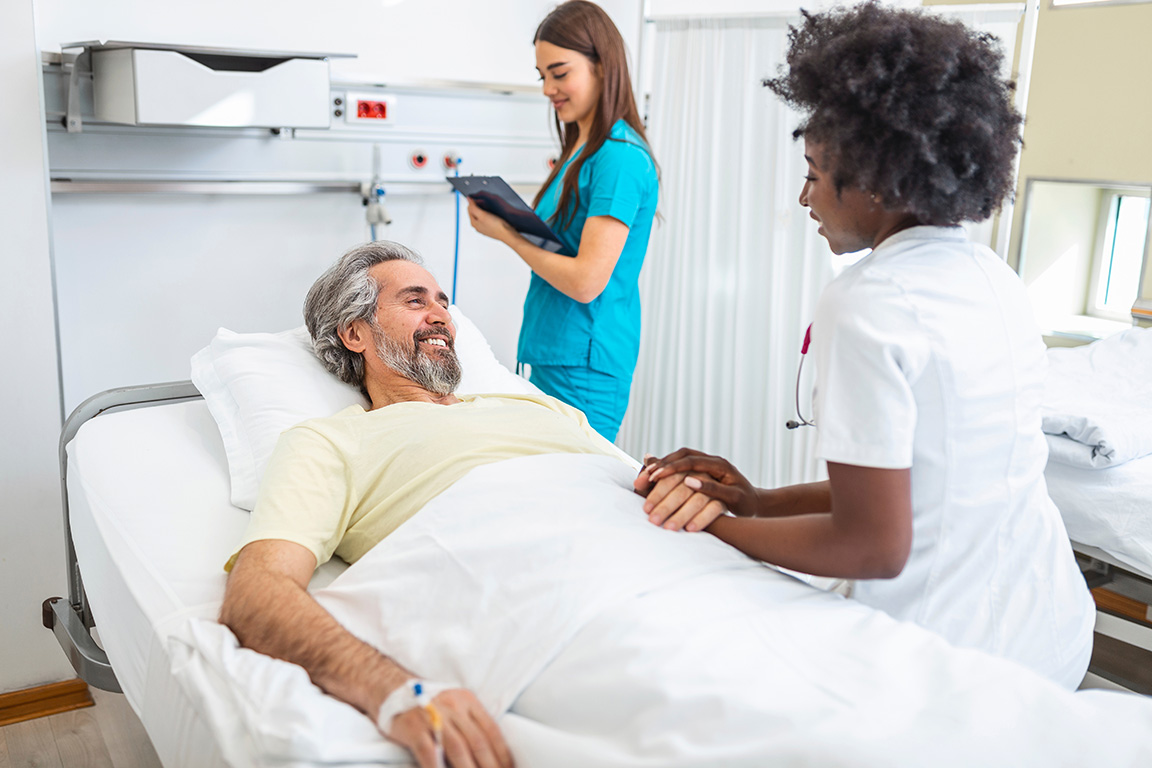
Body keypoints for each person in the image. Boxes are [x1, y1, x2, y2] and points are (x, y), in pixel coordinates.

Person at [634, 1, 1095, 689]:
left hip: (955, 659)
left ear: (877, 179)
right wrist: (756, 502)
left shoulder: (870, 301)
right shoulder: (990, 277)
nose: (803, 197)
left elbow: (871, 544)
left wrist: (714, 527)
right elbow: (926, 489)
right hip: (1052, 627)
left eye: (815, 174)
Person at [219, 241, 631, 768]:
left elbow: (632, 480)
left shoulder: (533, 404)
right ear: (354, 333)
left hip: (663, 555)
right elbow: (255, 592)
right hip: (558, 602)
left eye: (442, 303)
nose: (441, 316)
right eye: (416, 302)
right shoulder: (330, 442)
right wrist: (392, 689)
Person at [465, 0, 659, 442]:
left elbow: (587, 281)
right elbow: (564, 247)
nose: (548, 88)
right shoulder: (583, 150)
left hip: (585, 361)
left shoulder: (619, 158)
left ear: (602, 67)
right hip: (554, 350)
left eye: (560, 72)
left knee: (572, 495)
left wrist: (508, 234)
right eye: (542, 76)